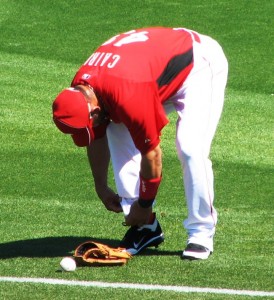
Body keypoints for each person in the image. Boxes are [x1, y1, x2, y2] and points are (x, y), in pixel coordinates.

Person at [52, 27, 228, 260]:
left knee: (190, 148)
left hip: (198, 66)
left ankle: (201, 232)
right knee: (115, 126)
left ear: (93, 110)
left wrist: (144, 204)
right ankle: (145, 228)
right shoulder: (83, 88)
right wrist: (101, 186)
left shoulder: (127, 95)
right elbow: (96, 135)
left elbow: (152, 155)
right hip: (151, 73)